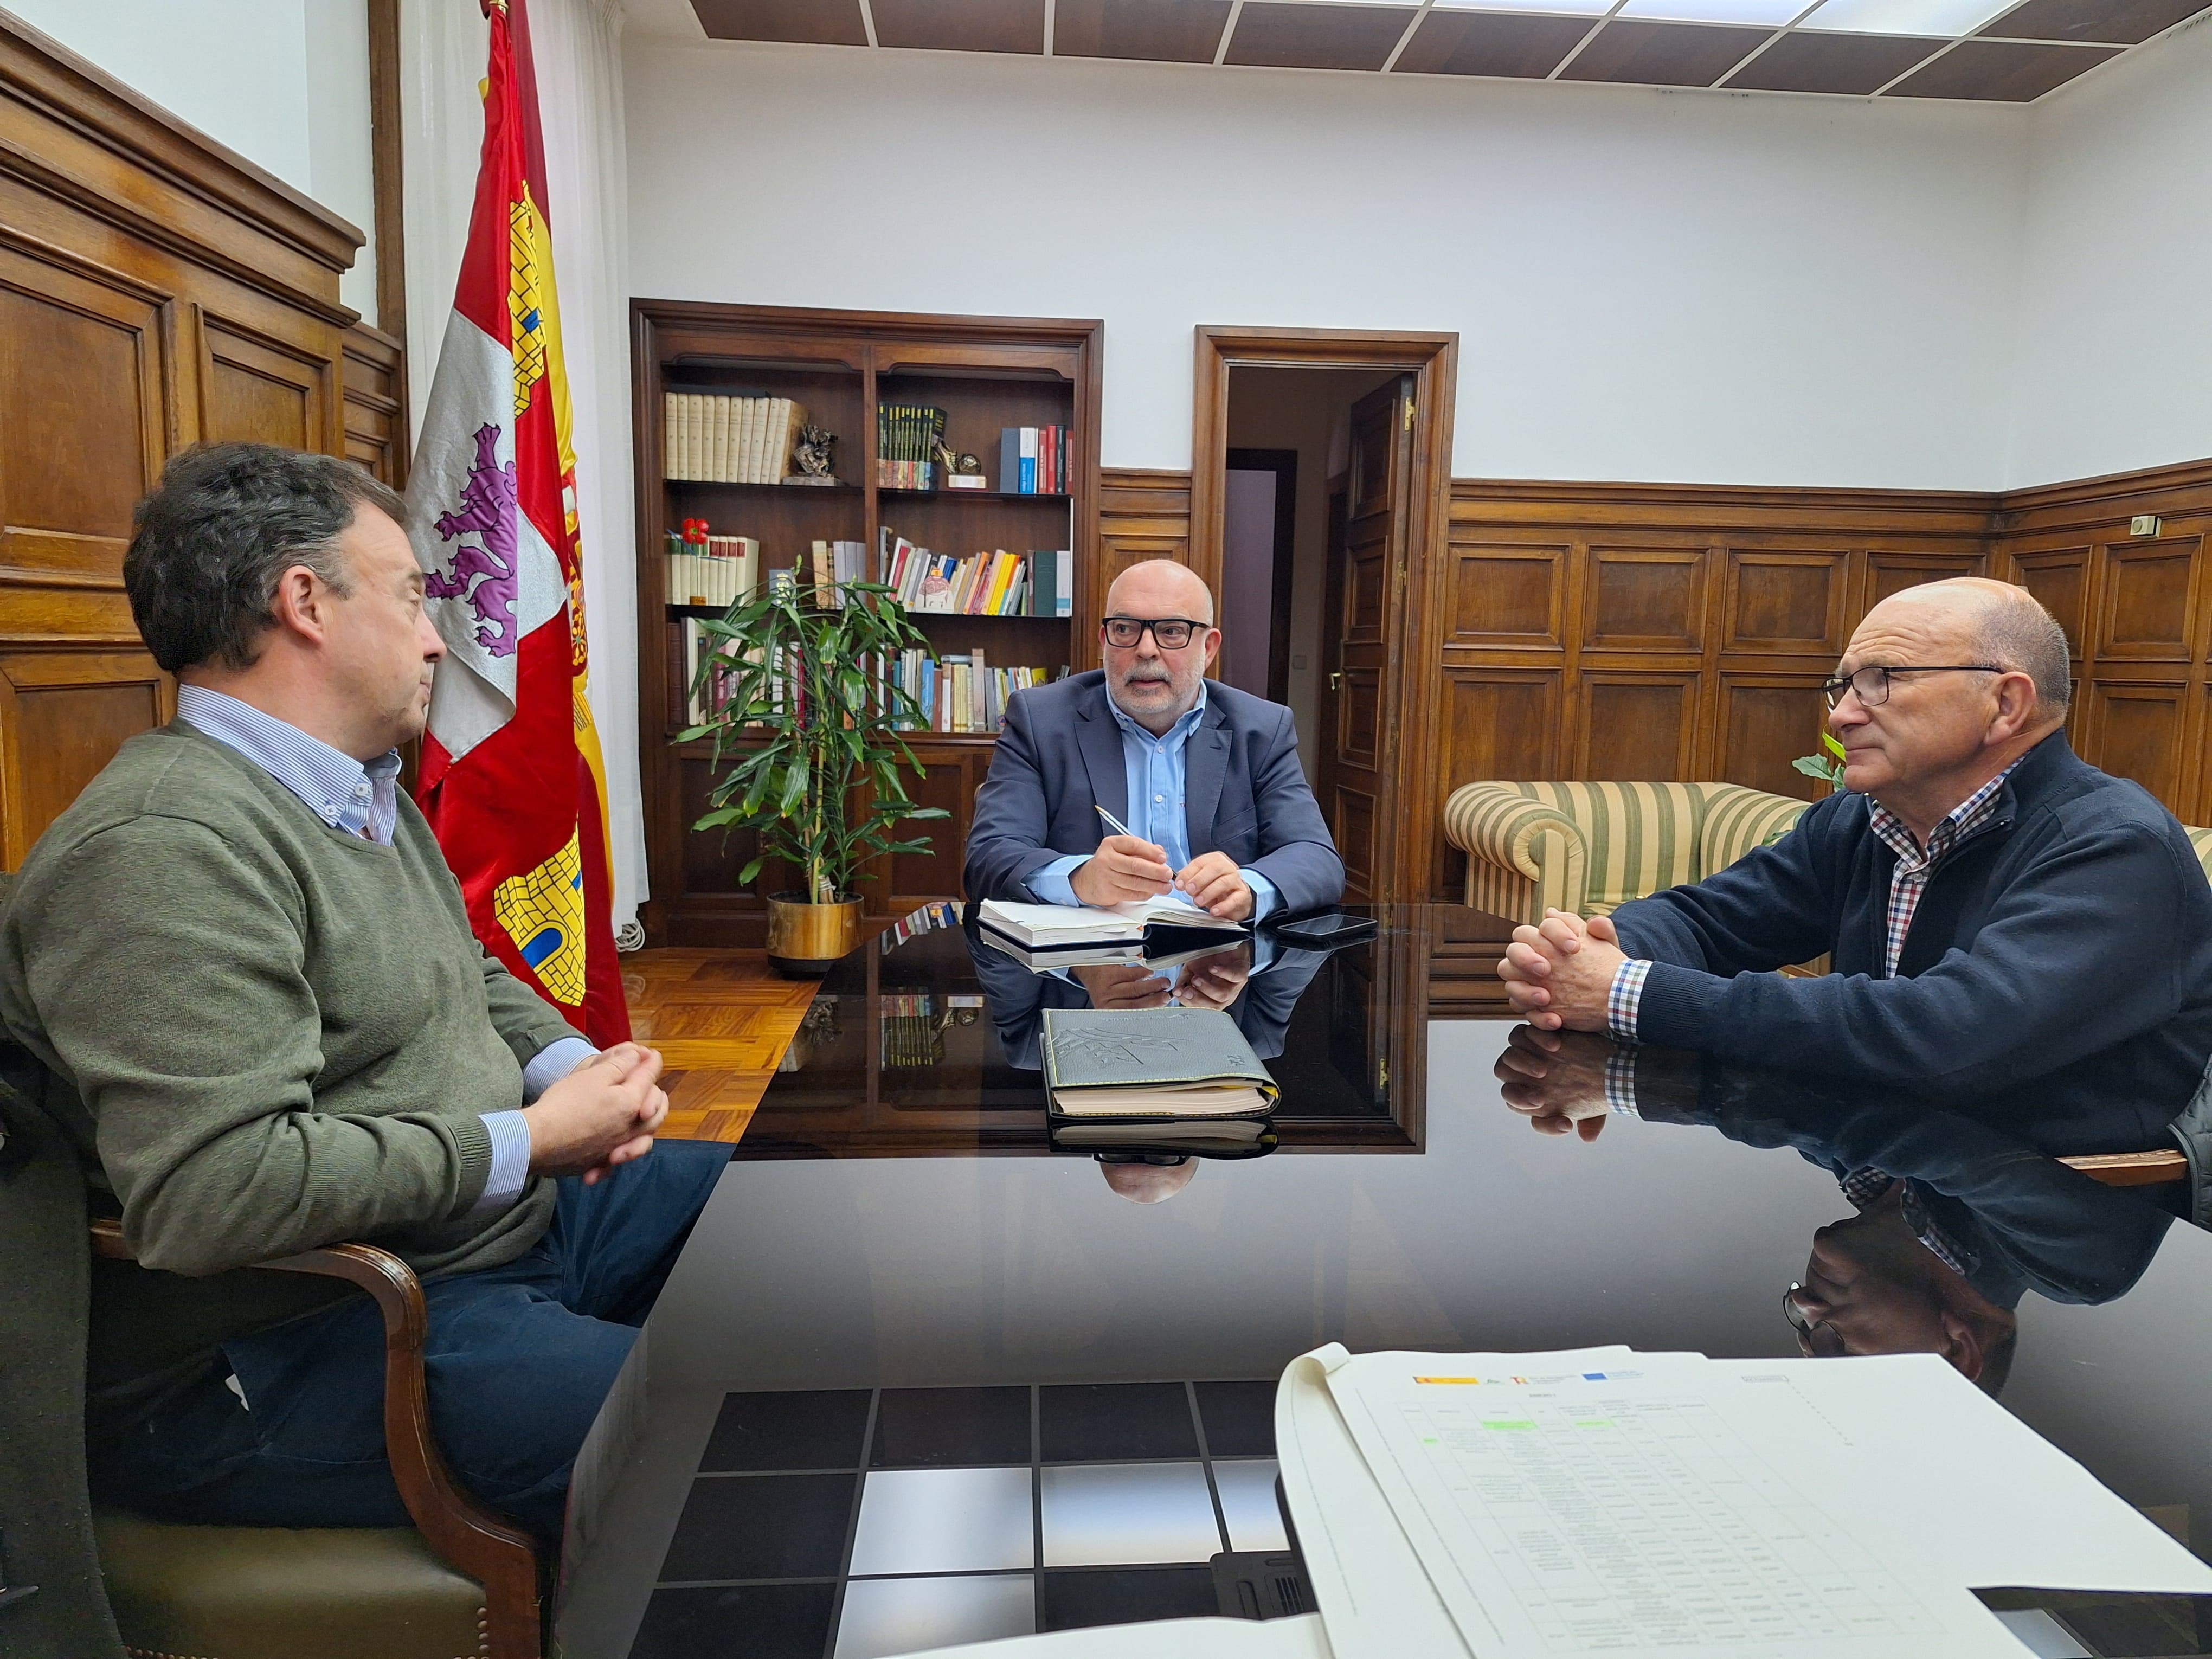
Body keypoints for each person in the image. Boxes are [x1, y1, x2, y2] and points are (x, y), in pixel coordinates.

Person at [0, 443, 726, 1540]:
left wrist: (578, 1069)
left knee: (796, 1212)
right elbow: (214, 1190)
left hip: (488, 1240)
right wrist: (529, 1139)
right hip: (312, 1336)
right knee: (723, 1442)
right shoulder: (162, 848)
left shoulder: (356, 789)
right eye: (411, 598)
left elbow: (464, 967)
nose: (438, 635)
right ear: (306, 603)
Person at [1498, 578, 2212, 1150]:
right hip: (1889, 1158)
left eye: (1882, 680)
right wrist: (1594, 954)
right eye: (1842, 686)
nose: (1841, 717)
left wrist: (1625, 991)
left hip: (2052, 1216)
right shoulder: (1862, 819)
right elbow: (1708, 922)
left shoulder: (2116, 847)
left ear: (2006, 702)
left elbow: (1946, 1037)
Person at [963, 558, 1345, 922]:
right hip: (1087, 971)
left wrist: (1249, 889)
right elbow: (989, 857)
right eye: (1125, 630)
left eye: (1172, 631)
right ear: (1105, 641)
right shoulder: (1041, 721)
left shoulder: (1261, 729)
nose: (1145, 650)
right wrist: (1080, 879)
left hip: (1219, 966)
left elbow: (1315, 858)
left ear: (1208, 648)